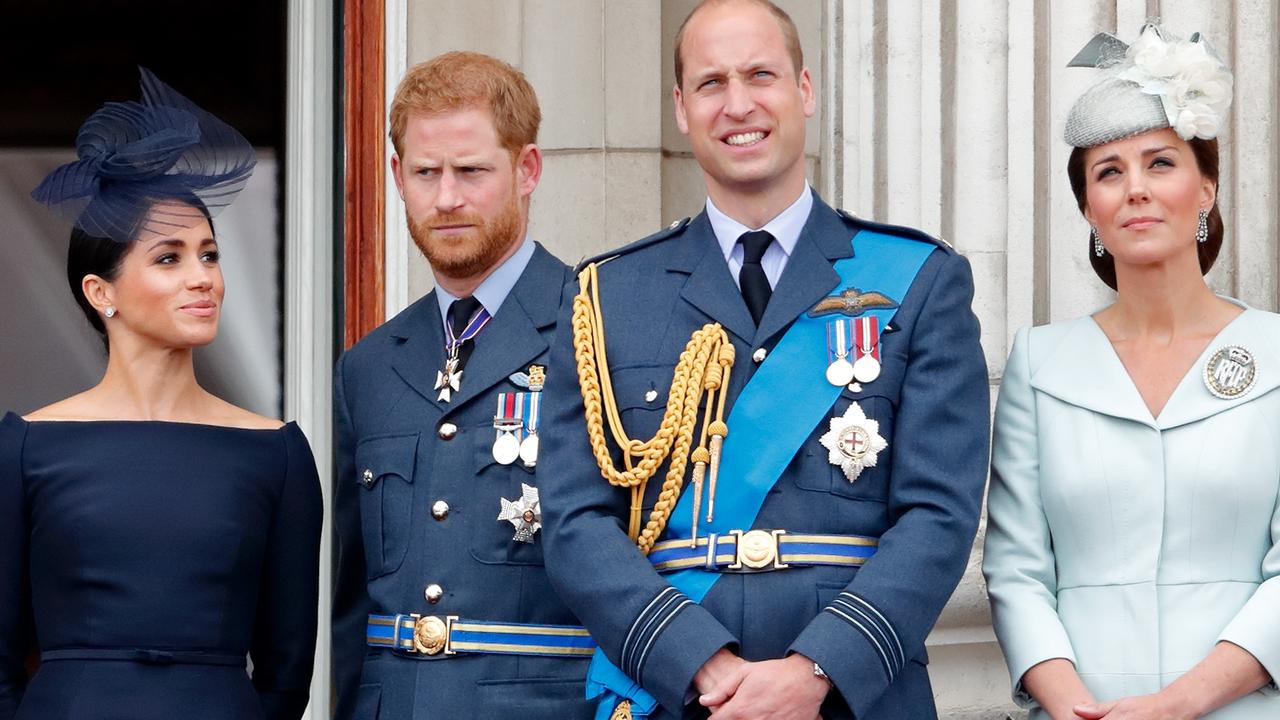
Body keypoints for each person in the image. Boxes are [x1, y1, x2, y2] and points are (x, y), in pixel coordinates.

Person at [536, 1, 990, 718]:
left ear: (804, 90)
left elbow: (939, 514)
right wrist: (699, 665)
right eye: (711, 83)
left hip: (853, 696)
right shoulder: (606, 296)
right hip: (679, 695)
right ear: (682, 109)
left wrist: (815, 671)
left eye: (761, 75)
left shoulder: (919, 279)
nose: (738, 103)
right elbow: (573, 522)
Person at [0, 69, 323, 720]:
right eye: (169, 258)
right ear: (102, 293)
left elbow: (287, 675)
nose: (203, 278)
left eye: (209, 254)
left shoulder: (278, 454)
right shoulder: (26, 448)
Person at [984, 24, 1278, 720]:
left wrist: (1177, 704)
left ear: (1206, 190)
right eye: (1109, 172)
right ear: (1090, 210)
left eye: (1161, 164)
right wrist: (1077, 708)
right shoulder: (1040, 364)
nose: (1136, 189)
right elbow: (1017, 568)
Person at [331, 52, 594, 720]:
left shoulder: (598, 331)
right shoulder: (367, 367)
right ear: (397, 176)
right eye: (425, 172)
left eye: (471, 171)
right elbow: (353, 605)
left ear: (526, 169)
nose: (446, 197)